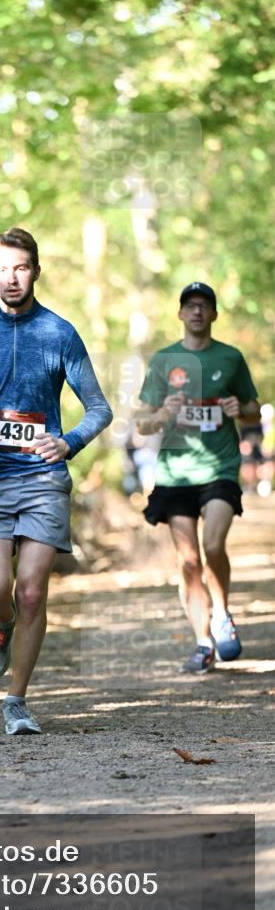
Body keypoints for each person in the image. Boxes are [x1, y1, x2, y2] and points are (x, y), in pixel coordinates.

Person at [0, 228, 113, 734]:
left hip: (43, 479)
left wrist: (67, 442)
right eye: (2, 268)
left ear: (35, 270)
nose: (11, 277)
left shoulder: (60, 334)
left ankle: (17, 700)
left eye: (21, 267)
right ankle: (0, 624)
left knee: (32, 591)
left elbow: (99, 409)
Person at [136, 282, 260, 673]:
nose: (197, 312)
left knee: (213, 545)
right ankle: (203, 640)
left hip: (219, 468)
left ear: (214, 314)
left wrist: (240, 407)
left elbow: (254, 411)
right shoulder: (163, 361)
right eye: (190, 306)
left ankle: (222, 611)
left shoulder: (231, 357)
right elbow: (141, 423)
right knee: (189, 561)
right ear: (180, 314)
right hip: (175, 472)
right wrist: (163, 414)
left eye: (204, 306)